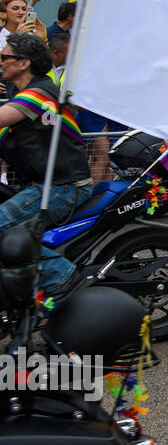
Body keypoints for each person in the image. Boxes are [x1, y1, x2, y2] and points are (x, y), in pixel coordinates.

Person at [0, 33, 94, 292]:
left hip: (63, 187)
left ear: (23, 63)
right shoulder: (24, 92)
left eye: (5, 57)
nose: (1, 62)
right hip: (46, 184)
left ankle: (63, 277)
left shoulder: (39, 94)